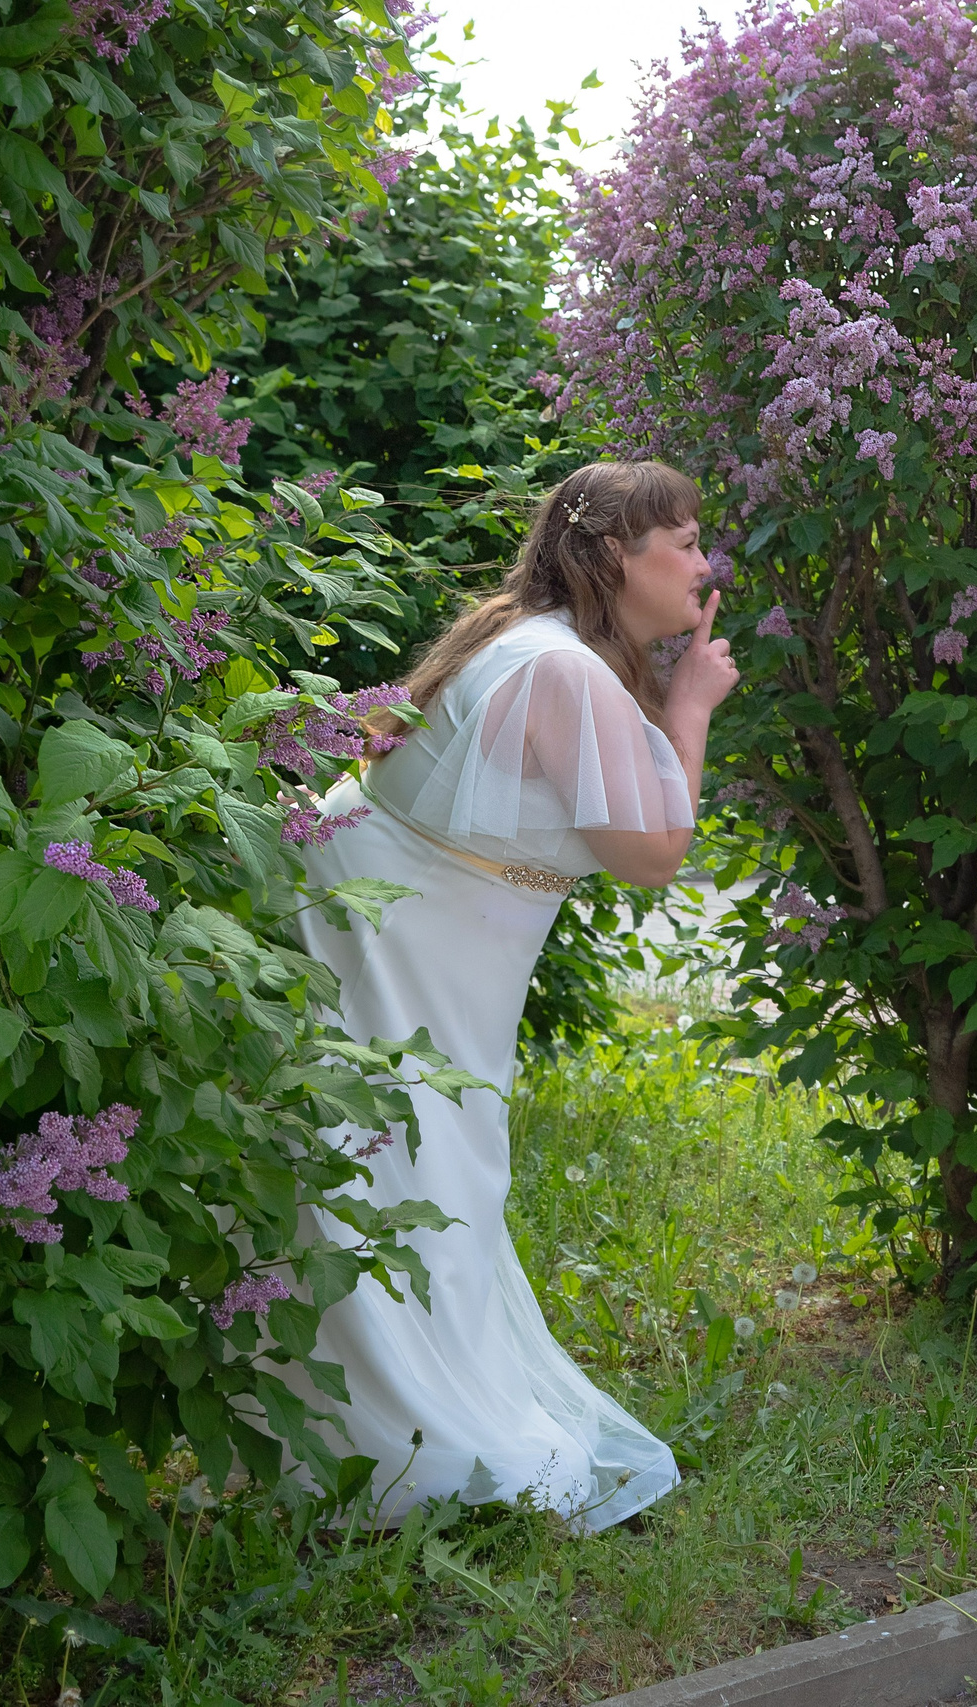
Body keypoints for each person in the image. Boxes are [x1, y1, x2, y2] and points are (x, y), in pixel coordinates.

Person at [285, 461, 738, 1529]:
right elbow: (653, 853)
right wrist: (690, 706)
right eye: (685, 541)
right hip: (412, 950)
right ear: (618, 554)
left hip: (415, 938)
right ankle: (424, 1455)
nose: (704, 564)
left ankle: (346, 1439)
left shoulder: (521, 638)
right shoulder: (561, 669)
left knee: (410, 1175)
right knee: (411, 1176)